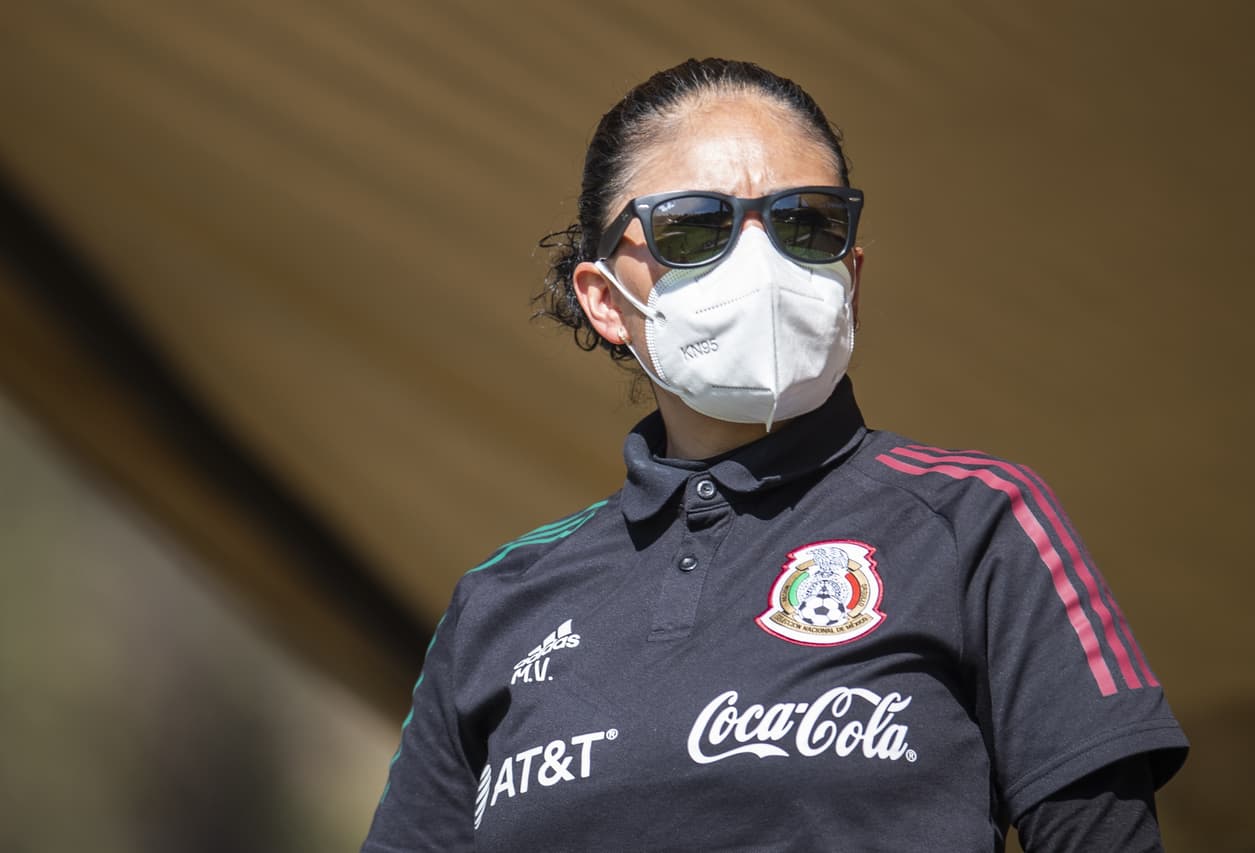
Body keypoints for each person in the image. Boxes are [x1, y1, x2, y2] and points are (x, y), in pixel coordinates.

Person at [362, 58, 1187, 852]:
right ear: (605, 300)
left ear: (851, 275)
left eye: (807, 222)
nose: (762, 264)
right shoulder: (500, 602)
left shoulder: (979, 522)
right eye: (693, 226)